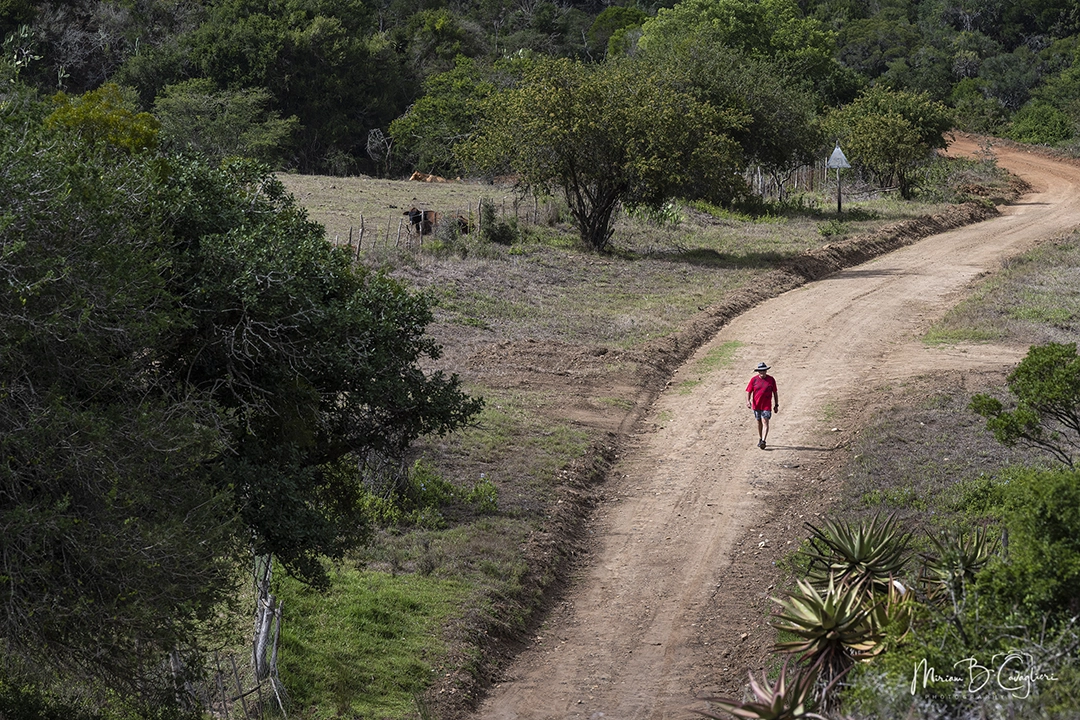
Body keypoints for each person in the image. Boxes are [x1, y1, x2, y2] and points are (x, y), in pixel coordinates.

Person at [746, 362, 779, 449]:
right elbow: (749, 391)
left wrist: (776, 404)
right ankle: (761, 438)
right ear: (758, 372)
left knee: (765, 421)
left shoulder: (771, 380)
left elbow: (775, 392)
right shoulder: (754, 380)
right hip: (756, 405)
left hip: (766, 406)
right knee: (759, 422)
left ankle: (764, 441)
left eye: (764, 370)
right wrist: (748, 401)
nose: (762, 372)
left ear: (766, 371)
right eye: (761, 371)